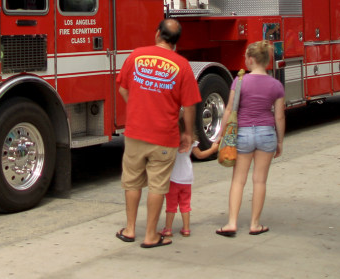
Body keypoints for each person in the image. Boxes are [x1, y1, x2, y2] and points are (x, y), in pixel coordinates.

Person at [115, 19, 202, 248]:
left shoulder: (136, 56)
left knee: (132, 181)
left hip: (135, 132)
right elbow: (190, 105)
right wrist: (188, 135)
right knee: (158, 185)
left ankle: (130, 229)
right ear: (176, 42)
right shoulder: (182, 65)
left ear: (157, 34)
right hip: (164, 135)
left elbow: (123, 88)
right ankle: (151, 235)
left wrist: (136, 107)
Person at [215, 40, 285, 237]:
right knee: (260, 181)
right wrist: (279, 141)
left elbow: (229, 109)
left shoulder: (239, 81)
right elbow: (279, 116)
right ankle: (255, 224)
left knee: (238, 180)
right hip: (266, 133)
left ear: (252, 60)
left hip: (243, 133)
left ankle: (231, 223)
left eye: (246, 57)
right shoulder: (276, 85)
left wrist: (221, 136)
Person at [161, 115, 219, 238]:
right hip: (187, 179)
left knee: (171, 205)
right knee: (185, 204)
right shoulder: (191, 142)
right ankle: (186, 228)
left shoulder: (171, 143)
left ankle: (168, 229)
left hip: (173, 179)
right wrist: (213, 149)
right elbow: (201, 155)